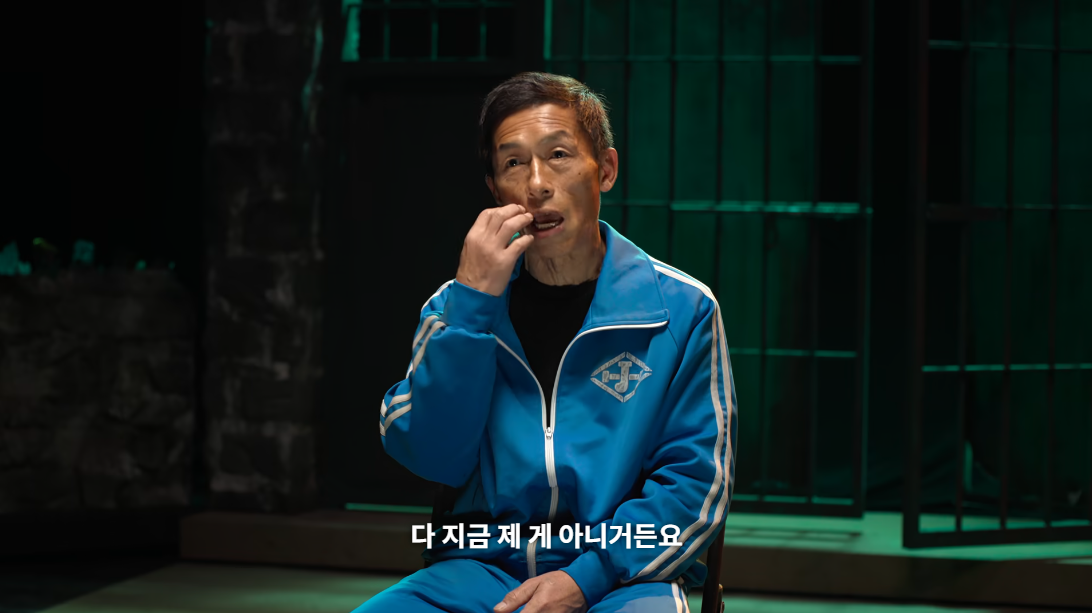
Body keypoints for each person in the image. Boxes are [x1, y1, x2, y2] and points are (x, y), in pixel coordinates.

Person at [358, 72, 737, 613]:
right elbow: (436, 455)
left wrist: (587, 577)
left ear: (605, 170)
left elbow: (694, 483)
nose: (536, 183)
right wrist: (473, 308)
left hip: (621, 578)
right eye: (513, 163)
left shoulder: (682, 310)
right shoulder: (454, 307)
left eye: (558, 155)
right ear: (495, 190)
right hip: (478, 570)